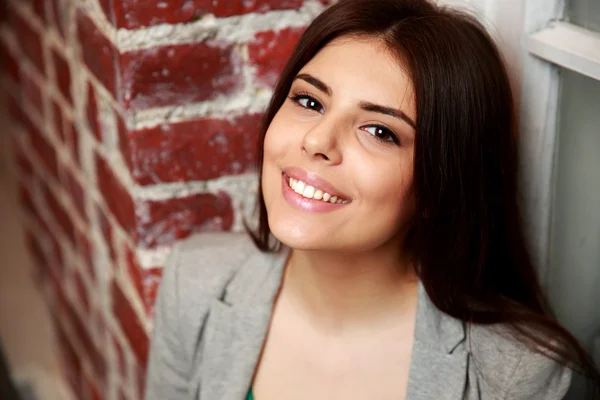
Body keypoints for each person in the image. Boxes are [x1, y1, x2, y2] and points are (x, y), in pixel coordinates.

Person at [144, 0, 600, 399]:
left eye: (380, 131)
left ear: (439, 185)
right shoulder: (196, 283)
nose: (318, 140)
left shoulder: (518, 374)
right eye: (309, 102)